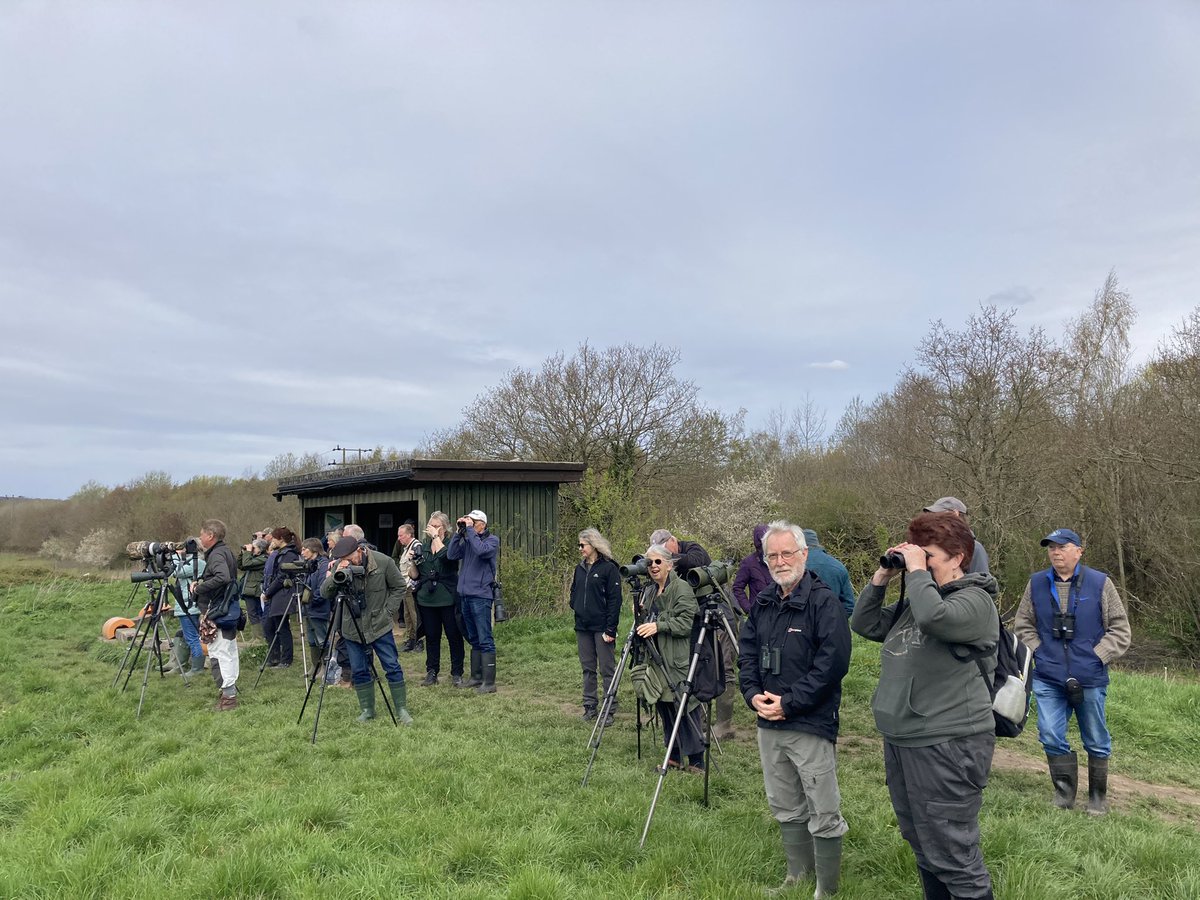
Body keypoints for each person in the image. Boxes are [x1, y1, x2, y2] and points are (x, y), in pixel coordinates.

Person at [851, 512, 999, 900]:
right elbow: (864, 624)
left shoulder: (976, 601)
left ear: (958, 556)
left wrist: (916, 572)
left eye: (929, 554)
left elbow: (935, 618)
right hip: (905, 739)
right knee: (923, 843)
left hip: (948, 742)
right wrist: (883, 576)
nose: (922, 562)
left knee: (954, 853)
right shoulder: (917, 597)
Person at [739, 522, 851, 897]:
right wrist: (752, 694)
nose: (780, 561)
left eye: (787, 553)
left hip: (810, 721)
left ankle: (827, 888)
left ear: (804, 554)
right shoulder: (764, 602)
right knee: (783, 802)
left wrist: (789, 703)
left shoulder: (824, 603)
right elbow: (748, 653)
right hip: (768, 721)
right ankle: (797, 877)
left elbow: (832, 665)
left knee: (822, 806)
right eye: (772, 555)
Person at [1013, 528, 1131, 816]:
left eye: (1062, 547)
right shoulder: (1036, 584)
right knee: (1050, 733)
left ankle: (1097, 797)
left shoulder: (1100, 583)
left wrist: (1097, 656)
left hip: (1089, 675)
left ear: (1079, 551)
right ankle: (1064, 794)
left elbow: (1120, 629)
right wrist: (1039, 652)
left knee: (1096, 738)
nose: (1055, 552)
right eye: (1051, 548)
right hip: (1049, 676)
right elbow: (1022, 624)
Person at [650, 528, 737, 739]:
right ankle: (700, 721)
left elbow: (693, 561)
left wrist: (669, 560)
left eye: (664, 550)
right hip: (696, 617)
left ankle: (724, 724)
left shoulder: (693, 548)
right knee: (695, 667)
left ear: (673, 541)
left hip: (718, 613)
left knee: (722, 666)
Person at [320, 528, 413, 724]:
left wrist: (388, 612)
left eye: (349, 557)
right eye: (342, 558)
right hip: (352, 626)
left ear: (359, 550)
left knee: (392, 666)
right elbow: (324, 593)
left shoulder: (383, 562)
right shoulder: (340, 565)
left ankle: (401, 709)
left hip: (379, 624)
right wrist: (336, 574)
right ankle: (367, 710)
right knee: (359, 669)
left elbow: (399, 587)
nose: (348, 561)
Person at [635, 544, 706, 772]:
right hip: (656, 658)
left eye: (657, 562)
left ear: (669, 563)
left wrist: (658, 625)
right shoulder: (648, 590)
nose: (653, 567)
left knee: (685, 707)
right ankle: (673, 757)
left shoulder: (681, 588)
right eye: (649, 563)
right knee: (665, 706)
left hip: (676, 659)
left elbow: (686, 623)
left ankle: (696, 761)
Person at [570, 528, 622, 723]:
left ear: (594, 545)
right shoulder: (579, 568)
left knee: (607, 669)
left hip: (602, 627)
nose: (580, 549)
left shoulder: (609, 568)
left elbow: (615, 601)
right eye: (579, 545)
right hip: (582, 627)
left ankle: (609, 709)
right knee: (587, 668)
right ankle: (589, 706)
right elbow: (574, 590)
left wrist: (611, 628)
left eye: (582, 545)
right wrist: (575, 604)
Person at [447, 509, 500, 694]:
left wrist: (469, 531)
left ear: (482, 524)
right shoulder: (468, 538)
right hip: (466, 595)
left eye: (473, 521)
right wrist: (457, 533)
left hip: (481, 595)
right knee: (475, 639)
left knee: (485, 638)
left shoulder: (491, 540)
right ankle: (476, 677)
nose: (470, 524)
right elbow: (451, 555)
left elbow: (481, 551)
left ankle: (489, 682)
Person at [191, 519, 240, 712]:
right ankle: (229, 691)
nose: (200, 537)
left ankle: (228, 698)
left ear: (210, 535)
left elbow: (223, 577)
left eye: (202, 533)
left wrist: (199, 588)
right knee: (228, 650)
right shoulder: (225, 551)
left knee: (219, 653)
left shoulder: (217, 554)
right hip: (228, 608)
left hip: (220, 610)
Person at [411, 511, 465, 687]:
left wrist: (436, 538)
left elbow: (448, 559)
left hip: (448, 598)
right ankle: (431, 672)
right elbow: (414, 575)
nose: (432, 529)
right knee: (432, 636)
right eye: (430, 526)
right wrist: (413, 561)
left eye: (436, 526)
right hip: (427, 599)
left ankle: (457, 673)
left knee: (453, 636)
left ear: (445, 528)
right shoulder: (423, 546)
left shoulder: (451, 544)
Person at [260, 527, 300, 669]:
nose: (272, 541)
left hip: (282, 594)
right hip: (274, 593)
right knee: (268, 626)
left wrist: (268, 592)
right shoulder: (280, 553)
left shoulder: (289, 554)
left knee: (282, 627)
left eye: (274, 538)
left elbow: (282, 576)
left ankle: (286, 660)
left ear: (281, 539)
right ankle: (274, 657)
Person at [166, 543, 206, 676]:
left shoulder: (198, 563)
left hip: (189, 607)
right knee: (182, 634)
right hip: (186, 605)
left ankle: (197, 668)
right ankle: (178, 664)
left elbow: (178, 572)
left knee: (192, 638)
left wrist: (174, 555)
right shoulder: (193, 563)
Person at [922, 497, 990, 575]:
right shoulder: (933, 547)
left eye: (939, 516)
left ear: (955, 515)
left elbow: (982, 584)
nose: (934, 520)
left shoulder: (975, 549)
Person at [802, 529, 856, 618]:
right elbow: (849, 605)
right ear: (817, 543)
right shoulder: (838, 566)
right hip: (832, 624)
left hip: (800, 626)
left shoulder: (793, 567)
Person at [299, 538, 332, 676]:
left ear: (313, 550)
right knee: (311, 639)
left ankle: (326, 666)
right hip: (309, 608)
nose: (302, 552)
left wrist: (312, 600)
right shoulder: (309, 564)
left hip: (318, 608)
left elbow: (322, 587)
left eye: (304, 549)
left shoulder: (323, 564)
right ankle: (315, 666)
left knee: (321, 638)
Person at [392, 523, 424, 653]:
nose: (399, 538)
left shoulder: (417, 546)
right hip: (405, 586)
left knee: (414, 614)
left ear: (409, 534)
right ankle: (411, 639)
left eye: (401, 535)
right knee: (407, 615)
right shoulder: (406, 548)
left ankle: (419, 640)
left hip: (412, 586)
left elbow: (420, 565)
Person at [731, 524, 773, 615]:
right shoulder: (748, 563)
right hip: (759, 615)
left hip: (780, 614)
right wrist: (749, 609)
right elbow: (737, 588)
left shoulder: (778, 559)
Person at [238, 537, 269, 639]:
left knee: (257, 613)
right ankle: (257, 636)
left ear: (260, 549)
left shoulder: (264, 558)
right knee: (252, 614)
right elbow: (241, 566)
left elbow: (247, 564)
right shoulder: (254, 558)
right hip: (251, 590)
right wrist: (243, 553)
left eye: (254, 548)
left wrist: (247, 553)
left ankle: (260, 637)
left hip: (256, 590)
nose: (252, 549)